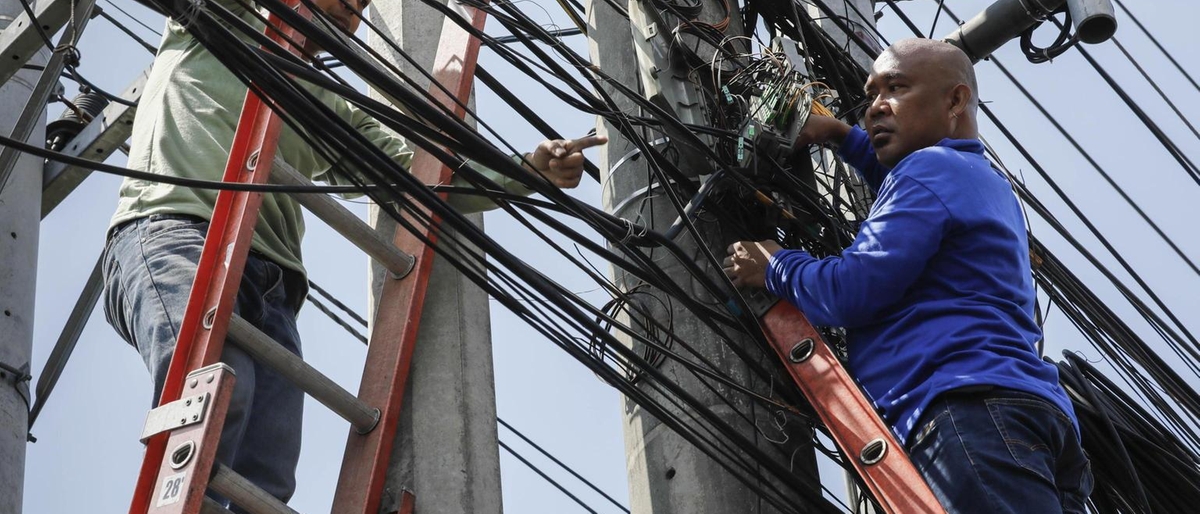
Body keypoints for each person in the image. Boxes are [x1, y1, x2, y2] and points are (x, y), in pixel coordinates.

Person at [100, 0, 604, 510]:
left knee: (267, 476)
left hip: (274, 288)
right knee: (217, 394)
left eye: (363, 5)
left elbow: (417, 181)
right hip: (178, 235)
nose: (351, 9)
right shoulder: (219, 18)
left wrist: (526, 172)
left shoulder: (326, 104)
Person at [723, 39, 1091, 513]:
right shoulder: (976, 177)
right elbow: (908, 194)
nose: (875, 106)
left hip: (963, 409)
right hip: (1025, 418)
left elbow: (852, 290)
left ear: (955, 101)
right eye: (871, 92)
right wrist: (840, 134)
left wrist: (775, 264)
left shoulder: (926, 170)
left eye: (896, 88)